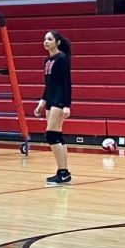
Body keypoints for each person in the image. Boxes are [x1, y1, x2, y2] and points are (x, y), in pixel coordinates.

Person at [34, 29, 73, 185]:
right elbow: (48, 84)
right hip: (50, 100)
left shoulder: (62, 58)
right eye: (44, 39)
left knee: (51, 135)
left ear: (57, 42)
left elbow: (66, 83)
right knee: (57, 135)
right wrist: (41, 103)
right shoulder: (47, 60)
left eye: (49, 39)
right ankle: (63, 172)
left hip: (59, 100)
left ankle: (63, 172)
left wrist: (67, 105)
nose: (46, 41)